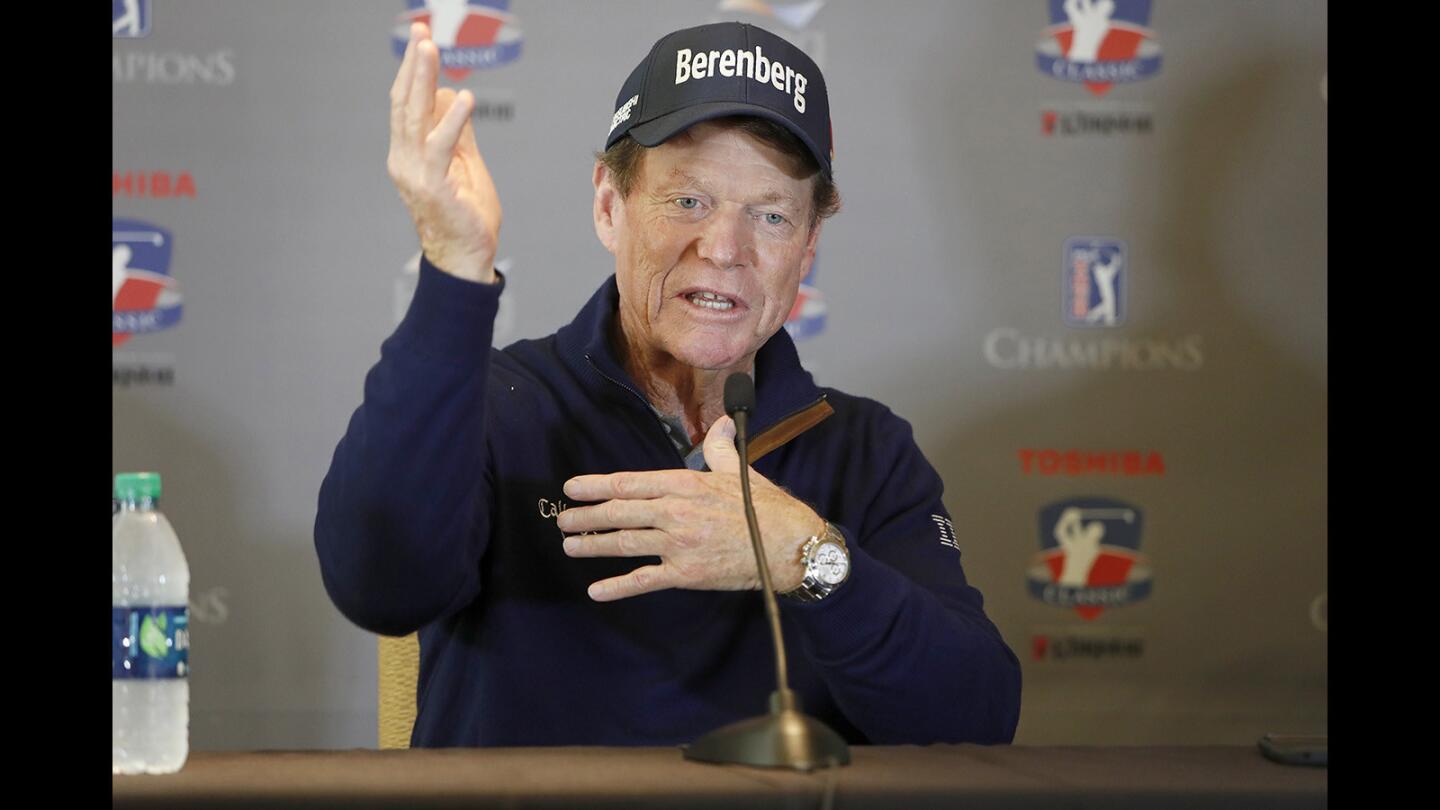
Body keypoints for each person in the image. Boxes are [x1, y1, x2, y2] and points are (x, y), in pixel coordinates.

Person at [315, 20, 1021, 748]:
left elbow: (976, 718)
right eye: (688, 201)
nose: (723, 249)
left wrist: (804, 559)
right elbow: (378, 585)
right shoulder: (495, 405)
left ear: (807, 247)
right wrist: (455, 269)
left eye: (771, 215)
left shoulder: (867, 451)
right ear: (608, 207)